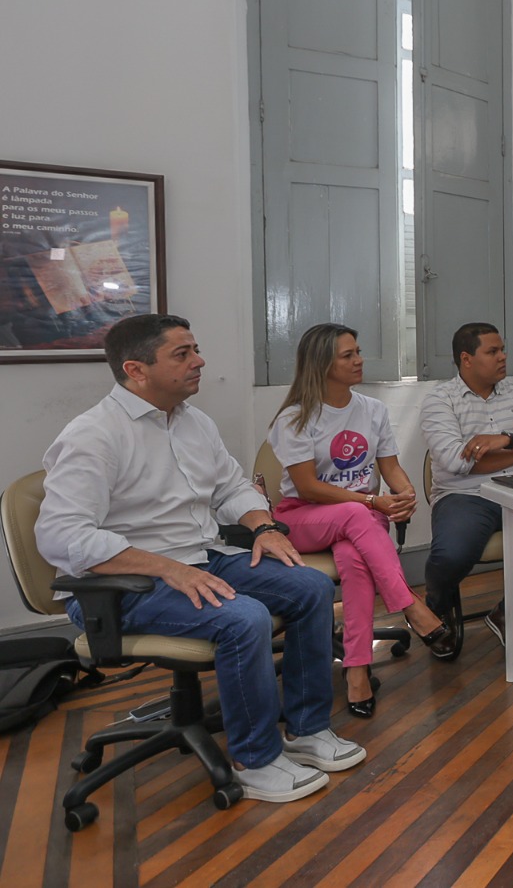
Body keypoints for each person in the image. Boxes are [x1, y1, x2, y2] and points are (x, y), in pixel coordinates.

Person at [36, 314, 364, 803]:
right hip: (119, 586)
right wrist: (168, 567)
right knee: (243, 618)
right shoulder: (94, 435)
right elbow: (62, 537)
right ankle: (254, 760)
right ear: (136, 369)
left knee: (310, 587)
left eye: (196, 349)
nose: (200, 361)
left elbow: (231, 486)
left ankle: (307, 730)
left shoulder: (194, 421)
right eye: (182, 354)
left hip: (199, 558)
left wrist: (264, 527)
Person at [267, 323, 451, 717]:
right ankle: (409, 605)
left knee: (354, 561)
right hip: (303, 518)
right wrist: (371, 500)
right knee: (355, 512)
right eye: (348, 355)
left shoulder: (373, 410)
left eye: (358, 351)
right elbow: (307, 486)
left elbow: (390, 466)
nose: (359, 360)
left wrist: (404, 494)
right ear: (321, 364)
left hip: (362, 520)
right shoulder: (295, 418)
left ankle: (356, 672)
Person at [420, 322, 513, 658]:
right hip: (466, 495)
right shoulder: (440, 401)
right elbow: (458, 462)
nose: (503, 357)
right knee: (450, 557)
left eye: (503, 350)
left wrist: (503, 440)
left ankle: (511, 611)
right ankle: (436, 614)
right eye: (493, 351)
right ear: (466, 359)